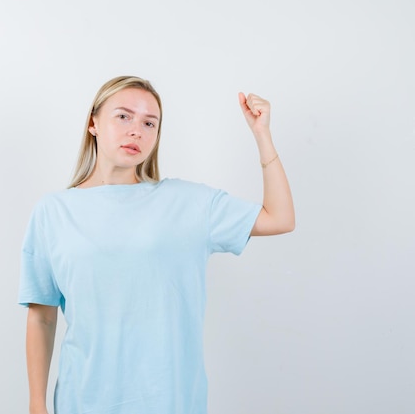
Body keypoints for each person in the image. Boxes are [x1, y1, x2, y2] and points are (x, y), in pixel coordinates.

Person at [18, 76, 294, 414]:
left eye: (150, 123)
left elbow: (280, 218)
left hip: (170, 402)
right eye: (124, 116)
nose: (137, 130)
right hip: (83, 401)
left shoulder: (187, 203)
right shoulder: (53, 212)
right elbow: (42, 316)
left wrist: (261, 135)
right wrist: (36, 404)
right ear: (93, 123)